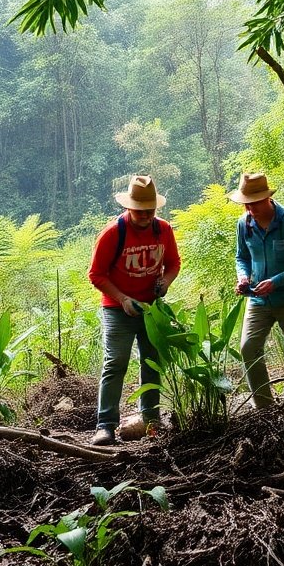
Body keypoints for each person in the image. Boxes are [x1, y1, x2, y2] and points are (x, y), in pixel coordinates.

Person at [87, 175, 181, 446]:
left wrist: (166, 282)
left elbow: (174, 263)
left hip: (151, 308)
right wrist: (123, 299)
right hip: (118, 309)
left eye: (150, 210)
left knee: (152, 361)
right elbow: (96, 274)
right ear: (129, 207)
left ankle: (151, 420)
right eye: (140, 210)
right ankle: (106, 425)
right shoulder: (112, 234)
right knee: (115, 362)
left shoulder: (163, 230)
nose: (145, 215)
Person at [231, 173, 284, 416]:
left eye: (254, 203)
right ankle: (265, 411)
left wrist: (276, 282)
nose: (250, 208)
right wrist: (243, 277)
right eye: (246, 204)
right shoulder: (243, 224)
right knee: (248, 348)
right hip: (257, 299)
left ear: (267, 198)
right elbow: (241, 257)